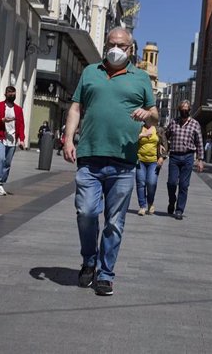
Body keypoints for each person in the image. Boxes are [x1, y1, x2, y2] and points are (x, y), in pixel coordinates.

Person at [63, 27, 157, 297]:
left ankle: (105, 273)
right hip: (89, 158)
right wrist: (69, 139)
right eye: (111, 44)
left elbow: (154, 116)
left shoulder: (140, 78)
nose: (116, 49)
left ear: (131, 49)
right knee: (87, 213)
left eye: (122, 45)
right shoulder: (90, 72)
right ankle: (89, 260)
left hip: (124, 163)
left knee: (115, 222)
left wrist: (146, 115)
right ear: (105, 45)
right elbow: (76, 107)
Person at [165, 100, 205, 220]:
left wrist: (200, 159)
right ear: (179, 110)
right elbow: (165, 137)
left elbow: (199, 143)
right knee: (171, 183)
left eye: (186, 108)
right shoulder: (173, 123)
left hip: (188, 157)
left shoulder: (195, 124)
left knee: (184, 185)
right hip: (174, 157)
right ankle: (172, 201)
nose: (184, 110)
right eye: (182, 108)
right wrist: (162, 149)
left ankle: (179, 210)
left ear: (189, 110)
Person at [0, 86, 25, 196]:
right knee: (0, 158)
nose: (12, 95)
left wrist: (22, 139)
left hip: (12, 141)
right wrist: (1, 121)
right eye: (9, 93)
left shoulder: (18, 110)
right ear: (5, 94)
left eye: (13, 93)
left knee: (7, 163)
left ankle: (1, 185)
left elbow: (21, 125)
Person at [135, 123, 168, 215]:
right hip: (140, 160)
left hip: (154, 161)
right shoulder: (139, 128)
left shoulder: (158, 129)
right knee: (140, 183)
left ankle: (150, 203)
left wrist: (162, 157)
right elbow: (131, 139)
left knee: (151, 183)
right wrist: (142, 135)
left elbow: (164, 143)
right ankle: (142, 206)